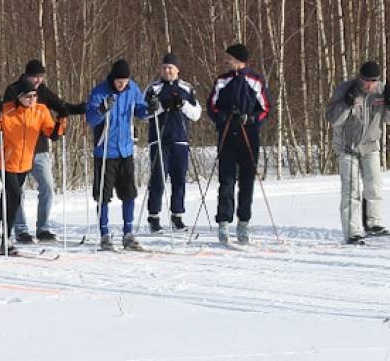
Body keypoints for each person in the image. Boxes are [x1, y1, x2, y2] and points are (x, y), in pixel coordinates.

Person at [0, 59, 86, 244]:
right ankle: (20, 229)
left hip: (39, 149)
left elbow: (61, 105)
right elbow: (10, 114)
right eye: (35, 76)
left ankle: (42, 228)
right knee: (17, 192)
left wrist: (79, 109)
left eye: (41, 77)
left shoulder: (43, 91)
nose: (38, 81)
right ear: (26, 75)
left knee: (48, 187)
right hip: (17, 151)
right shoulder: (13, 90)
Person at [0, 78, 63, 253]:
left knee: (8, 197)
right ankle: (6, 239)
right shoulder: (7, 110)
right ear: (19, 97)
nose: (32, 99)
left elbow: (52, 133)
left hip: (25, 162)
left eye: (34, 96)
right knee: (16, 196)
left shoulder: (40, 111)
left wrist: (61, 121)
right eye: (28, 97)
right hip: (6, 161)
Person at [85, 59, 155, 251]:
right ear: (112, 79)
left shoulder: (132, 89)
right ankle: (105, 234)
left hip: (125, 149)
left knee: (129, 193)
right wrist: (101, 109)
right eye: (119, 81)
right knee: (103, 195)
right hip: (105, 150)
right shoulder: (100, 91)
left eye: (125, 81)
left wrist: (150, 108)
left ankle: (128, 233)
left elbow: (140, 110)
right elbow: (90, 118)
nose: (122, 84)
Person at [325, 60, 390, 244]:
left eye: (373, 82)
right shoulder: (346, 89)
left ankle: (374, 223)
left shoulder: (381, 90)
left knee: (374, 184)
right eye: (366, 81)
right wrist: (346, 104)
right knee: (351, 190)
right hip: (347, 147)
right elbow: (334, 120)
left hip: (371, 145)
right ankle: (352, 231)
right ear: (359, 78)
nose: (369, 85)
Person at [205, 44, 271, 245]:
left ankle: (243, 222)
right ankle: (223, 222)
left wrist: (250, 119)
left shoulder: (255, 80)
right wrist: (223, 117)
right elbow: (211, 106)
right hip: (227, 134)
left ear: (240, 60)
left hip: (249, 135)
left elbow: (266, 108)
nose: (227, 61)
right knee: (226, 181)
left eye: (230, 58)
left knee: (247, 181)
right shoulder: (222, 80)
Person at [143, 53, 202, 232]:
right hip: (159, 141)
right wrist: (161, 107)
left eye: (170, 67)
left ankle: (177, 215)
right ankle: (153, 216)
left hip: (180, 140)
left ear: (177, 69)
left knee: (179, 180)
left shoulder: (187, 88)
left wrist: (182, 104)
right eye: (164, 67)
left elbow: (196, 114)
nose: (167, 70)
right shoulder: (153, 88)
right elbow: (144, 114)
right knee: (158, 180)